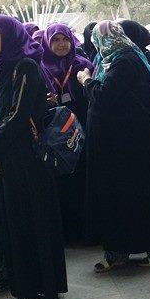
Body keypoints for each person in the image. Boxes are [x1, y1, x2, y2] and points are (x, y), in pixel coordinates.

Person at [80, 20, 150, 272]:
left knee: (140, 194)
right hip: (116, 145)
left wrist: (86, 80)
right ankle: (119, 250)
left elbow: (104, 96)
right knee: (118, 197)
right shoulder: (111, 60)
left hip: (131, 144)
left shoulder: (125, 61)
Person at [0, 15, 66, 299]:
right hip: (7, 157)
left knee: (29, 222)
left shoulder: (24, 66)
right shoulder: (0, 66)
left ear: (10, 34)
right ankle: (26, 287)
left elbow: (18, 116)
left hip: (26, 160)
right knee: (15, 223)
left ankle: (37, 290)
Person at [40, 23, 94, 244]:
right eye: (55, 40)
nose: (61, 44)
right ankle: (66, 232)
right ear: (47, 42)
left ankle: (87, 229)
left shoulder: (83, 65)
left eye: (65, 39)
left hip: (82, 131)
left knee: (83, 178)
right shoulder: (40, 67)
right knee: (61, 181)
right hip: (56, 137)